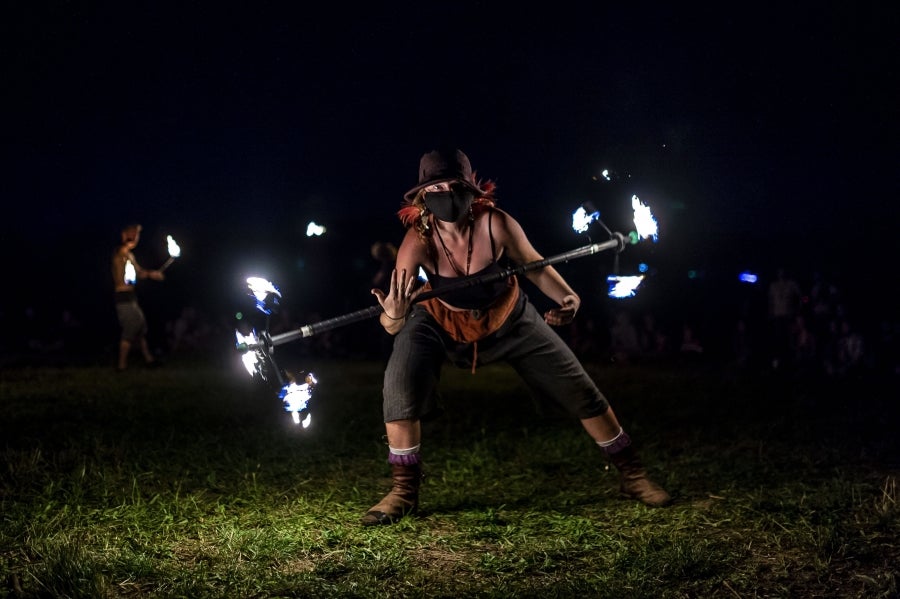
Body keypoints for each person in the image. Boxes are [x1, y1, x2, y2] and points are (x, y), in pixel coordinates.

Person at [363, 148, 671, 526]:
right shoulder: (417, 240)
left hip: (508, 313)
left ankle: (633, 476)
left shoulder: (496, 223)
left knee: (578, 386)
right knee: (400, 379)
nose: (445, 193)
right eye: (435, 187)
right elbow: (393, 323)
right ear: (423, 197)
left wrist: (568, 297)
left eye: (453, 185)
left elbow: (534, 266)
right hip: (438, 320)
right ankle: (403, 492)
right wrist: (393, 315)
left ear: (469, 189)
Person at [111, 223, 164, 370]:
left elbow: (139, 272)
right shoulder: (120, 253)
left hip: (131, 296)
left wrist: (153, 274)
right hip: (122, 296)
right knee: (132, 327)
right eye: (132, 234)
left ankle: (149, 360)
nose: (135, 237)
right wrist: (126, 240)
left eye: (137, 235)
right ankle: (121, 366)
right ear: (124, 235)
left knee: (140, 327)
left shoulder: (130, 255)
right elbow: (121, 257)